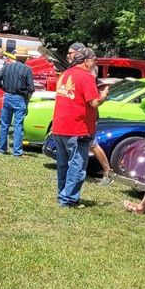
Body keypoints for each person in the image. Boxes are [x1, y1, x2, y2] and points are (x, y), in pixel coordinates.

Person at [49, 46, 108, 207]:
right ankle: (69, 199)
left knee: (63, 165)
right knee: (77, 166)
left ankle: (63, 195)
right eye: (95, 60)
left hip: (59, 127)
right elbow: (94, 102)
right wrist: (103, 96)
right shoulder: (86, 77)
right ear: (87, 61)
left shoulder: (65, 74)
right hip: (77, 128)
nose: (96, 62)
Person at [0, 52, 34, 156]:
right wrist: (26, 96)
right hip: (20, 98)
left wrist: (4, 88)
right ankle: (17, 151)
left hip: (7, 96)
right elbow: (31, 88)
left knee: (4, 124)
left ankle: (2, 149)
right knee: (18, 125)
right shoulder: (27, 69)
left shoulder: (7, 66)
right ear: (25, 58)